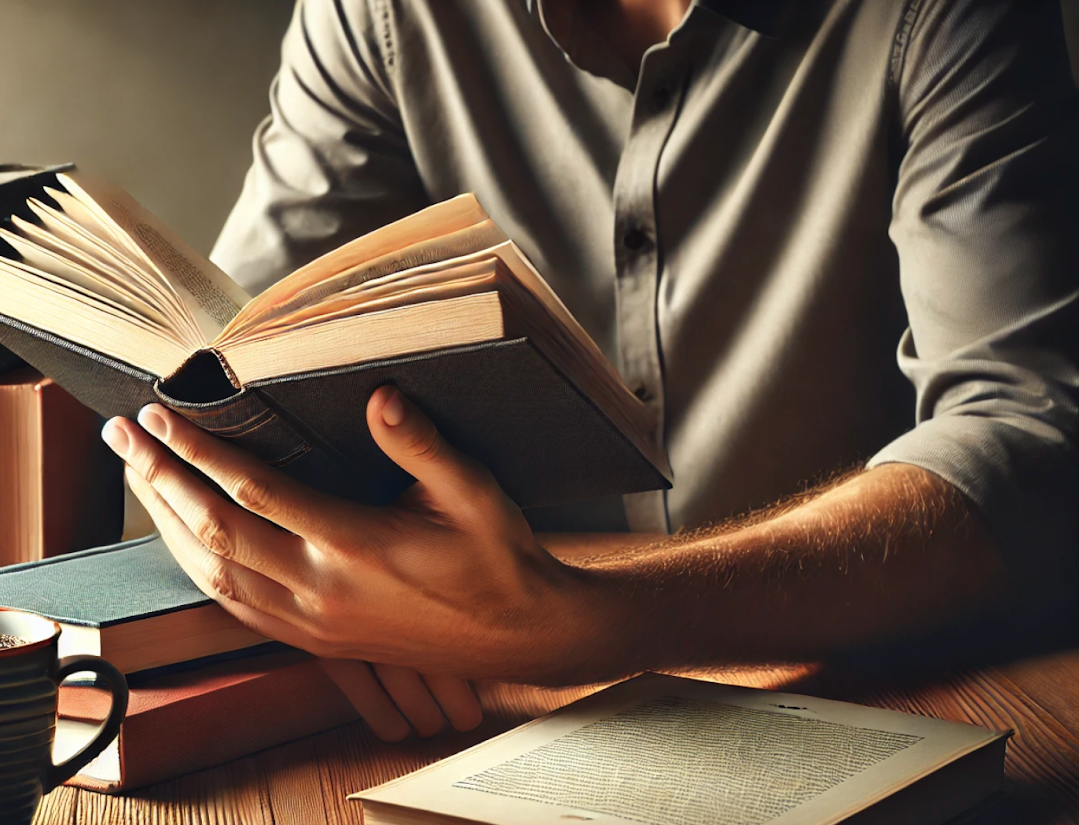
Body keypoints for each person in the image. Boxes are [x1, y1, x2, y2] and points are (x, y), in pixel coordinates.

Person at [101, 0, 1079, 740]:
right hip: (467, 704)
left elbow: (1032, 441)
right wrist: (302, 582)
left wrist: (589, 624)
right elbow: (238, 375)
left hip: (895, 687)